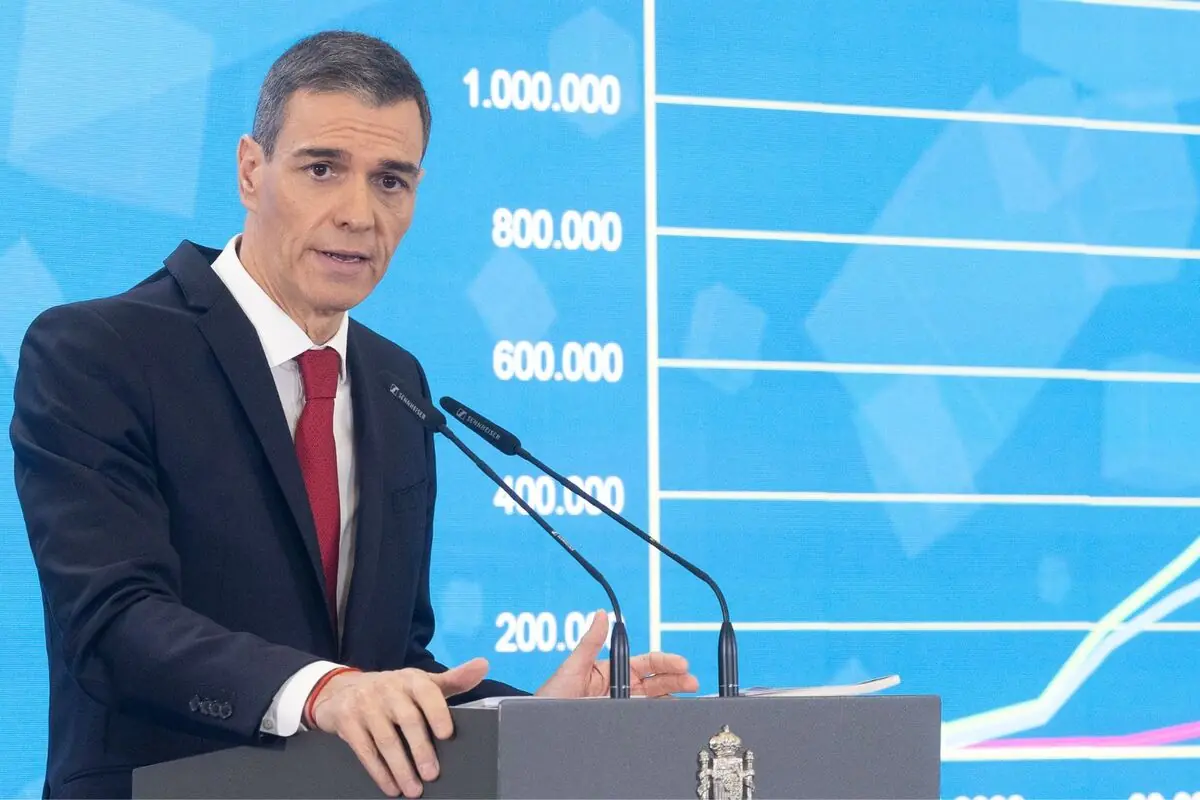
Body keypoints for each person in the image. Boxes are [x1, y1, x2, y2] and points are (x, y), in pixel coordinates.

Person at [10, 30, 698, 800]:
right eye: (322, 169)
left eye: (391, 181)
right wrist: (324, 689)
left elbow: (388, 661)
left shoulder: (393, 380)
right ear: (249, 170)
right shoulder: (100, 350)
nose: (358, 213)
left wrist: (536, 718)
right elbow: (114, 625)